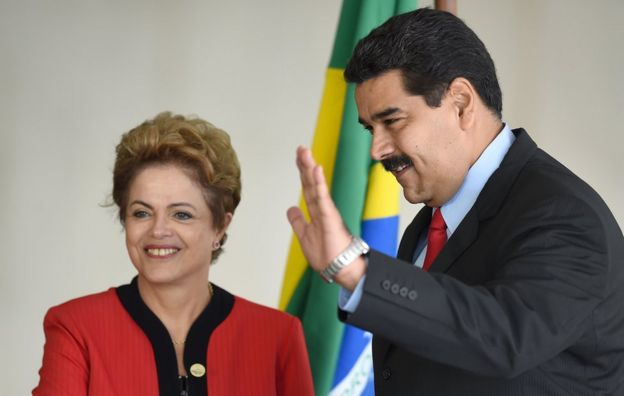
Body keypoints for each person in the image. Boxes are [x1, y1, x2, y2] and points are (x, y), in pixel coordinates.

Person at [287, 8, 624, 395]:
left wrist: (356, 270)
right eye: (370, 129)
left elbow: (505, 336)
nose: (377, 150)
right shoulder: (431, 222)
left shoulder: (565, 215)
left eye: (392, 121)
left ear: (461, 103)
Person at [34, 112, 314, 396]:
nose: (158, 230)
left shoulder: (277, 335)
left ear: (220, 226)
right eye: (141, 212)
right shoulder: (76, 327)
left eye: (181, 214)